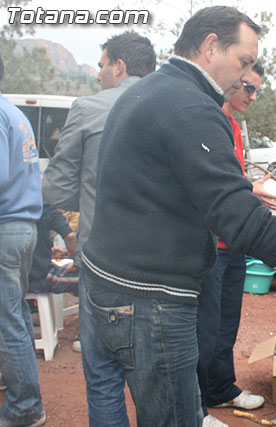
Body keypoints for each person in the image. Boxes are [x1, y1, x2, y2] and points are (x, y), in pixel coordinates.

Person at [80, 6, 276, 426]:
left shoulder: (148, 90)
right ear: (211, 46)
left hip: (106, 281)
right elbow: (244, 224)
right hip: (151, 299)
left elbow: (169, 181)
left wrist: (242, 188)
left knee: (118, 398)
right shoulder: (189, 106)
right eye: (244, 62)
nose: (246, 77)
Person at [42, 31, 156, 427]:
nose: (99, 75)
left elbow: (55, 188)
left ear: (119, 65)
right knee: (156, 379)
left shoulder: (89, 108)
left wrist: (88, 194)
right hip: (162, 267)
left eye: (103, 65)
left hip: (101, 260)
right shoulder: (173, 105)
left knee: (104, 373)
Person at [197, 61, 276, 427]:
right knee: (205, 327)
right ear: (231, 82)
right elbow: (213, 182)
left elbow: (235, 179)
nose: (253, 96)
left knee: (227, 322)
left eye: (257, 90)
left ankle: (222, 389)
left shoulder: (235, 127)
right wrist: (252, 189)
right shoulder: (210, 118)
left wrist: (255, 190)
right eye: (248, 88)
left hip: (235, 240)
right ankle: (196, 407)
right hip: (212, 244)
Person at [0, 55, 47, 427]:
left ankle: (25, 406)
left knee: (9, 319)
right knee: (11, 314)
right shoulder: (14, 113)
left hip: (5, 227)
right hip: (23, 226)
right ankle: (14, 384)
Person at [27, 204, 79, 295]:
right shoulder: (46, 207)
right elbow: (70, 236)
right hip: (38, 278)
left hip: (13, 279)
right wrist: (78, 263)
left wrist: (46, 253)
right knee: (90, 280)